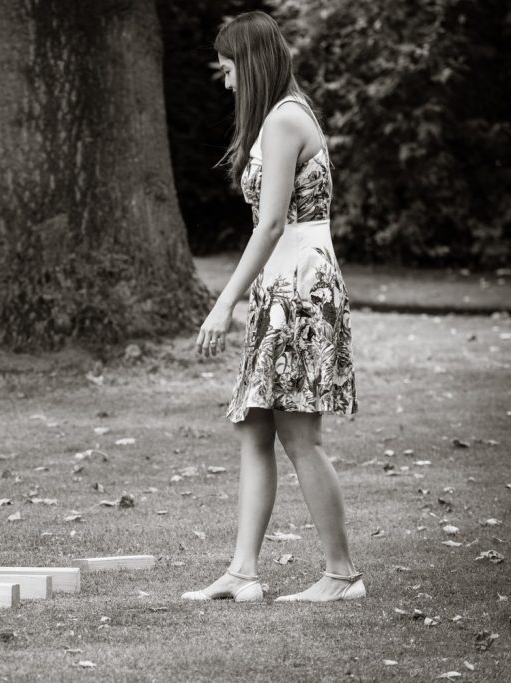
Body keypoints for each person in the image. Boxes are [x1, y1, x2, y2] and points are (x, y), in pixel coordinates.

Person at [182, 11, 362, 603]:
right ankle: (243, 572)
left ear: (251, 64)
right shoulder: (276, 119)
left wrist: (224, 301)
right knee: (255, 425)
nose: (226, 82)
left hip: (301, 290)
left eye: (229, 70)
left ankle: (341, 575)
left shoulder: (285, 119)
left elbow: (274, 223)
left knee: (300, 433)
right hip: (281, 288)